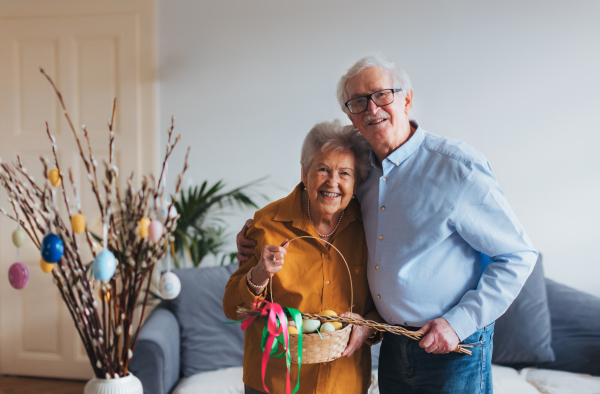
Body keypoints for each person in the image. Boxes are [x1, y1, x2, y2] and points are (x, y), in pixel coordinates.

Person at [236, 55, 538, 394]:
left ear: (407, 99)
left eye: (382, 94)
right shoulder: (357, 171)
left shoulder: (457, 168)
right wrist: (258, 231)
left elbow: (518, 255)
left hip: (453, 348)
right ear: (350, 115)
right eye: (358, 102)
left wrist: (458, 324)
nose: (371, 108)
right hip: (392, 346)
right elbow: (312, 200)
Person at [223, 120, 382, 394]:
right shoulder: (267, 224)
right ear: (304, 172)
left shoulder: (371, 230)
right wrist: (260, 273)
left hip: (344, 383)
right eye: (323, 169)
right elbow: (232, 308)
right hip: (274, 382)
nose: (333, 182)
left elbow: (384, 302)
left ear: (356, 182)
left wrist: (368, 327)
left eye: (345, 173)